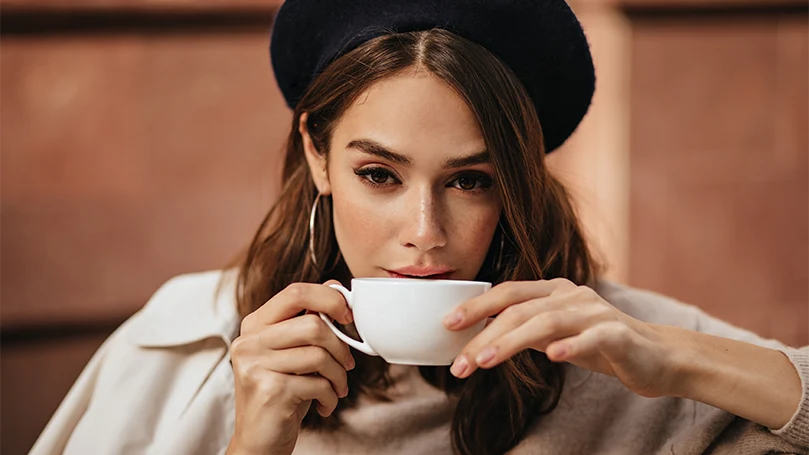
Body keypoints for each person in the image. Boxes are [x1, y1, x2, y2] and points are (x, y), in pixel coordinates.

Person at [29, 1, 809, 454]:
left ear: (518, 186)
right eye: (379, 175)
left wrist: (675, 356)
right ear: (318, 154)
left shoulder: (619, 351)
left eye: (471, 180)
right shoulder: (182, 345)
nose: (424, 232)